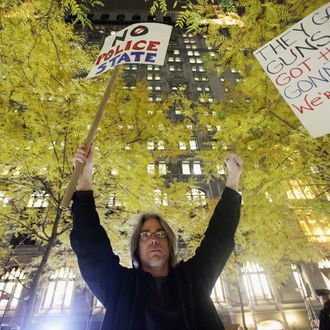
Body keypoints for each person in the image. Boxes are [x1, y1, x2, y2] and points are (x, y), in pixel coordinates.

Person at [70, 144, 242, 330]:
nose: (153, 239)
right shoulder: (121, 286)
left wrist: (233, 178)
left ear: (170, 244)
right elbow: (90, 247)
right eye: (145, 235)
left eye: (160, 234)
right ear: (137, 247)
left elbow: (219, 237)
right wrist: (85, 178)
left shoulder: (193, 279)